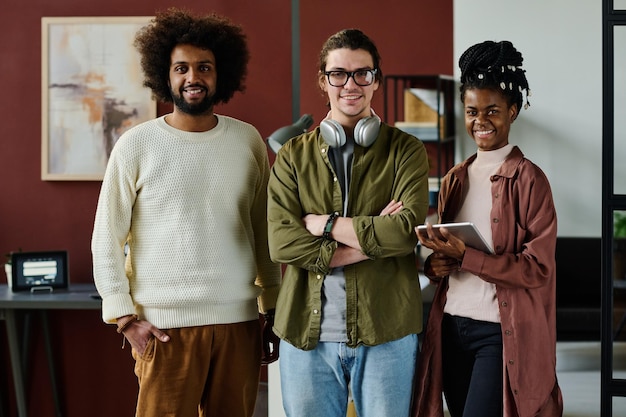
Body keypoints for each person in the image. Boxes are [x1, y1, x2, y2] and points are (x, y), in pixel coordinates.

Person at [91, 8, 281, 417]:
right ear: (165, 74)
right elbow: (106, 238)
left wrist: (273, 307)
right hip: (162, 331)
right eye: (181, 68)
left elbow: (264, 233)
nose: (193, 77)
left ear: (220, 74)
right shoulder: (135, 145)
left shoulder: (247, 141)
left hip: (239, 323)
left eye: (204, 67)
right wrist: (125, 318)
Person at [267, 28, 430, 417]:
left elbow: (405, 232)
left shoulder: (406, 150)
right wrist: (371, 241)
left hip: (387, 331)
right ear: (323, 82)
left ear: (376, 80)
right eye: (338, 74)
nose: (350, 84)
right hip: (306, 336)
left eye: (362, 73)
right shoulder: (292, 155)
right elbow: (282, 243)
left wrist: (323, 224)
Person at [413, 40, 563, 417]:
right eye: (472, 111)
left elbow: (538, 268)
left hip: (499, 334)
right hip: (450, 327)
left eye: (493, 110)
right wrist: (436, 265)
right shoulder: (454, 178)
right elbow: (444, 259)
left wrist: (469, 258)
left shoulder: (530, 181)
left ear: (513, 112)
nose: (481, 120)